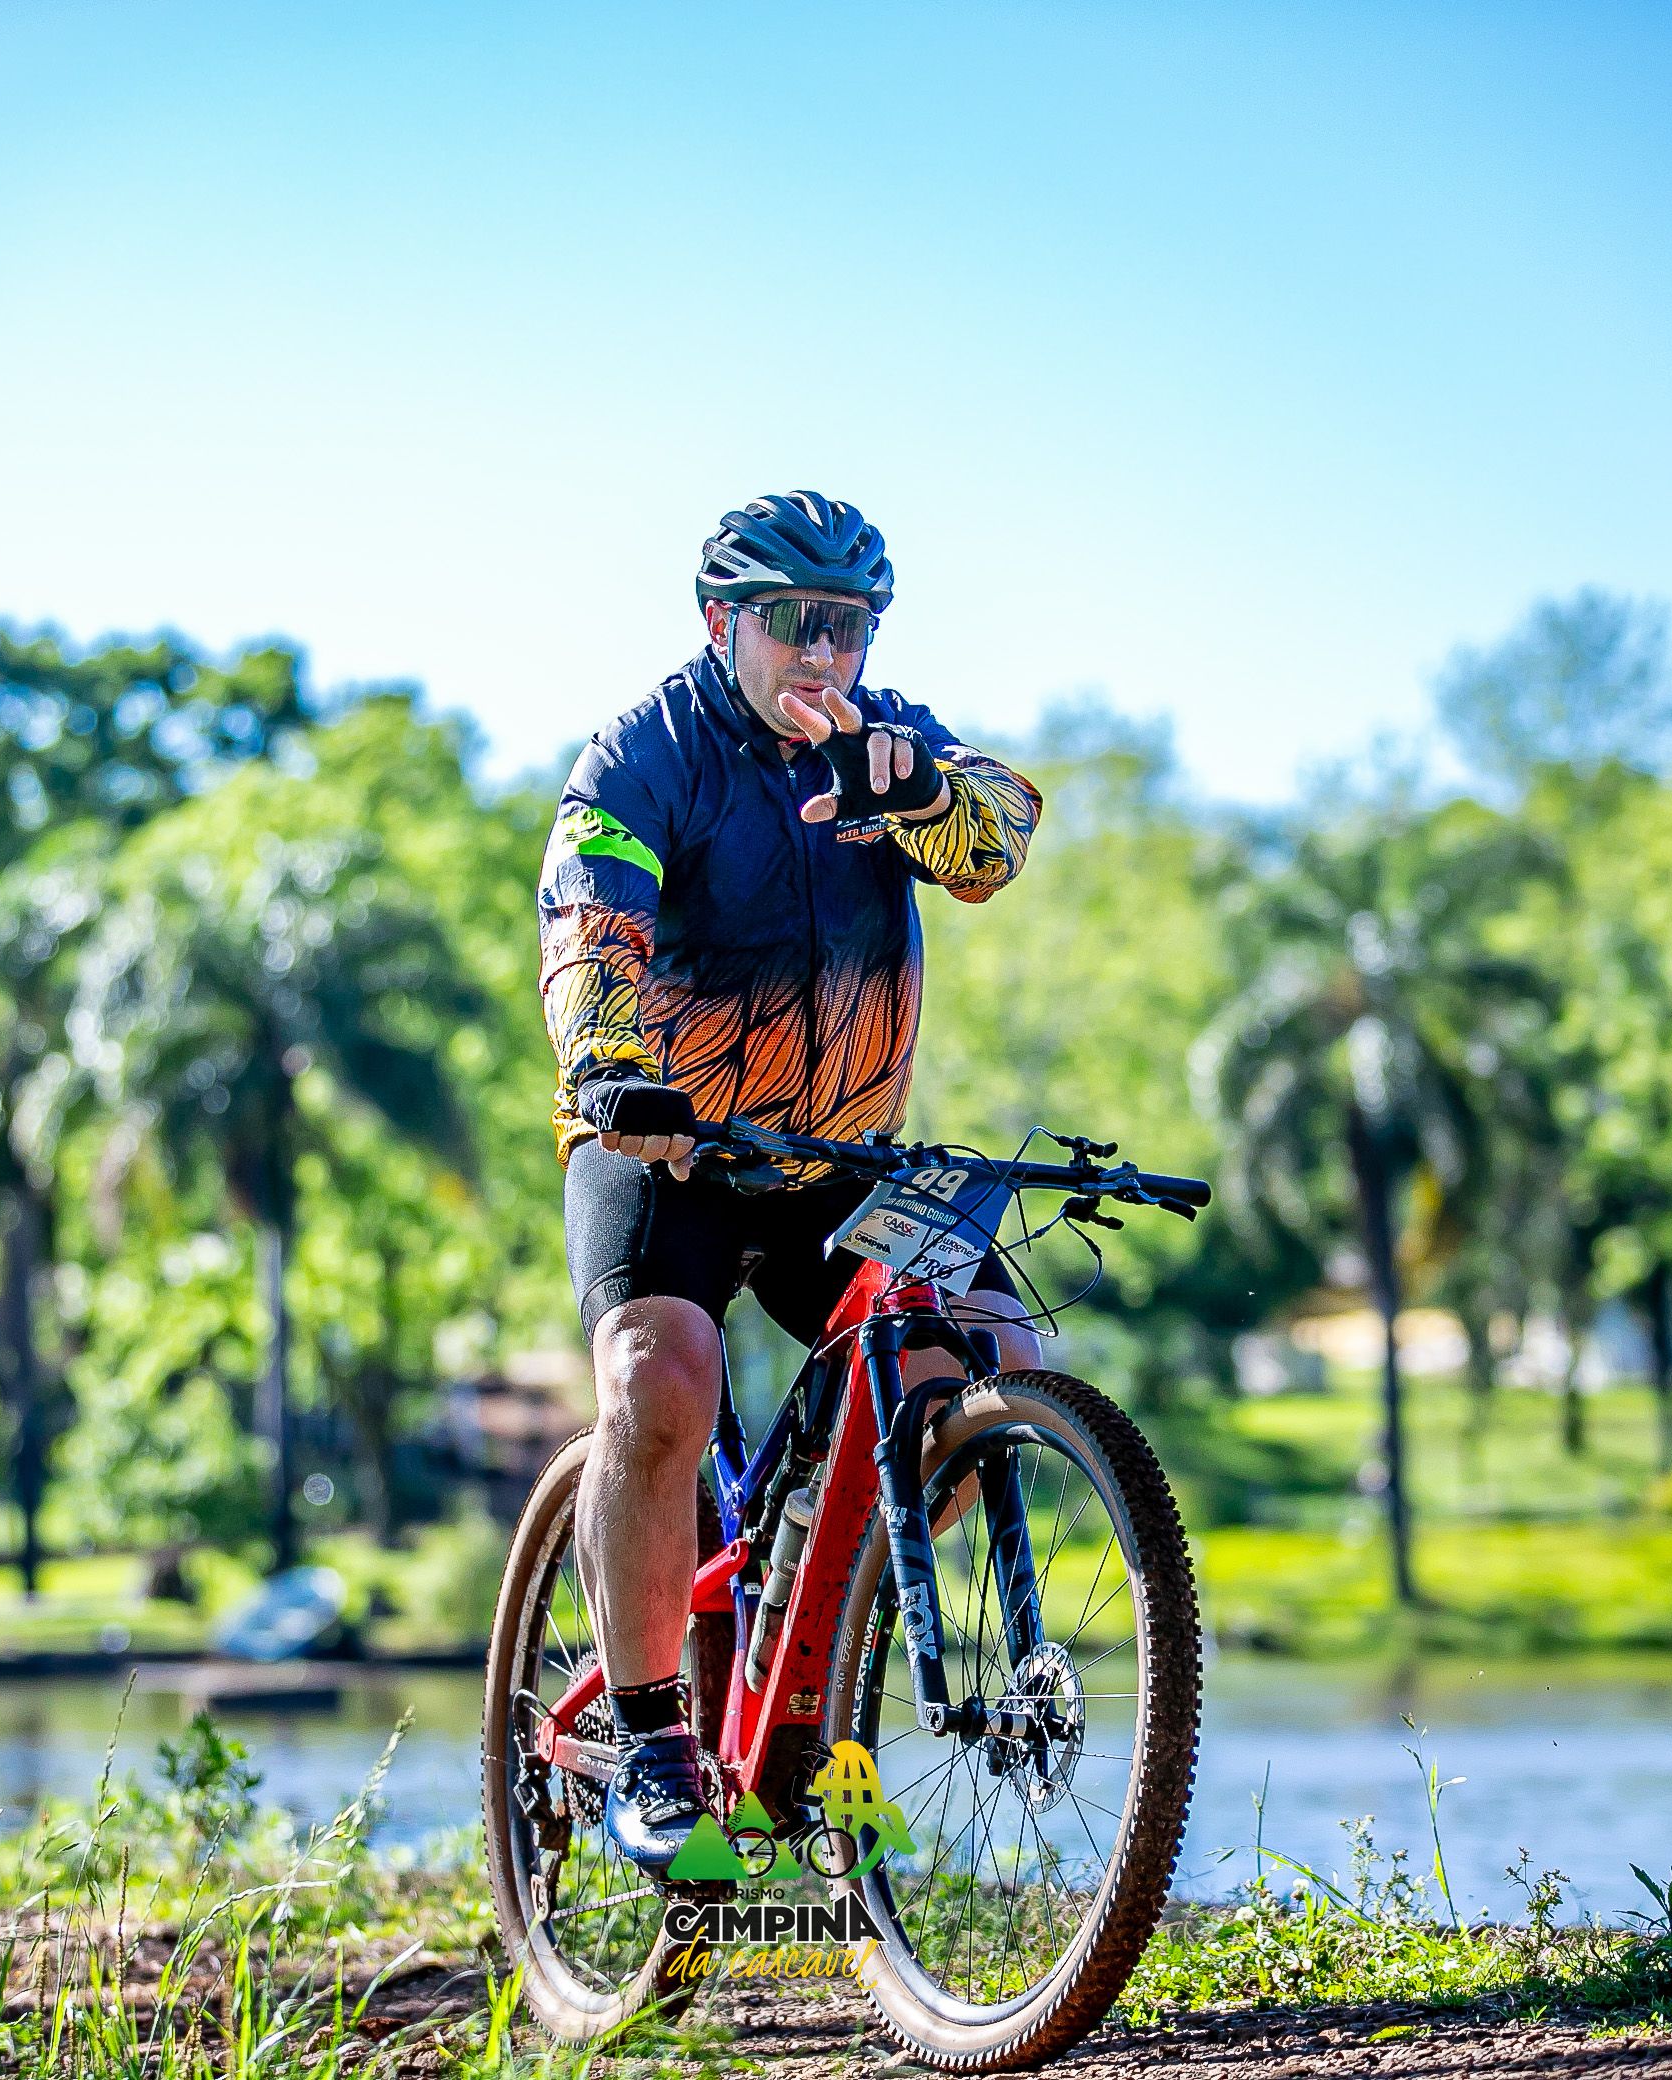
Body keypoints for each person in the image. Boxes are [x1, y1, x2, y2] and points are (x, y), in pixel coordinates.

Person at [535, 492, 1046, 1876]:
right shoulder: (646, 752)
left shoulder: (890, 740)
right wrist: (610, 1065)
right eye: (793, 623)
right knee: (662, 1378)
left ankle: (814, 1591)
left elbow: (999, 838)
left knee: (998, 1359)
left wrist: (921, 797)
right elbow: (589, 921)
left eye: (850, 626)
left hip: (839, 1161)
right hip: (673, 1149)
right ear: (722, 623)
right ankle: (653, 1738)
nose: (823, 653)